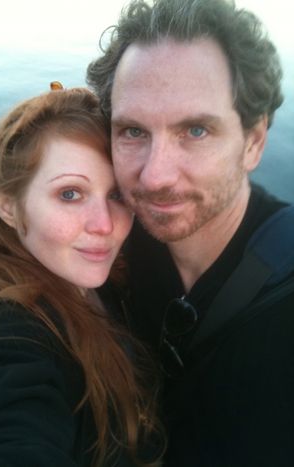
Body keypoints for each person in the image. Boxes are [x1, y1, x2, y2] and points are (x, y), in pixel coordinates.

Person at [87, 0, 294, 466]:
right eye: (134, 132)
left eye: (196, 130)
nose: (155, 177)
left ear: (254, 142)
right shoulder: (101, 243)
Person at [0, 84, 163, 467]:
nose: (104, 225)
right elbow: (13, 429)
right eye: (69, 194)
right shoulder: (6, 328)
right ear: (9, 206)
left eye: (116, 196)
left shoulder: (98, 275)